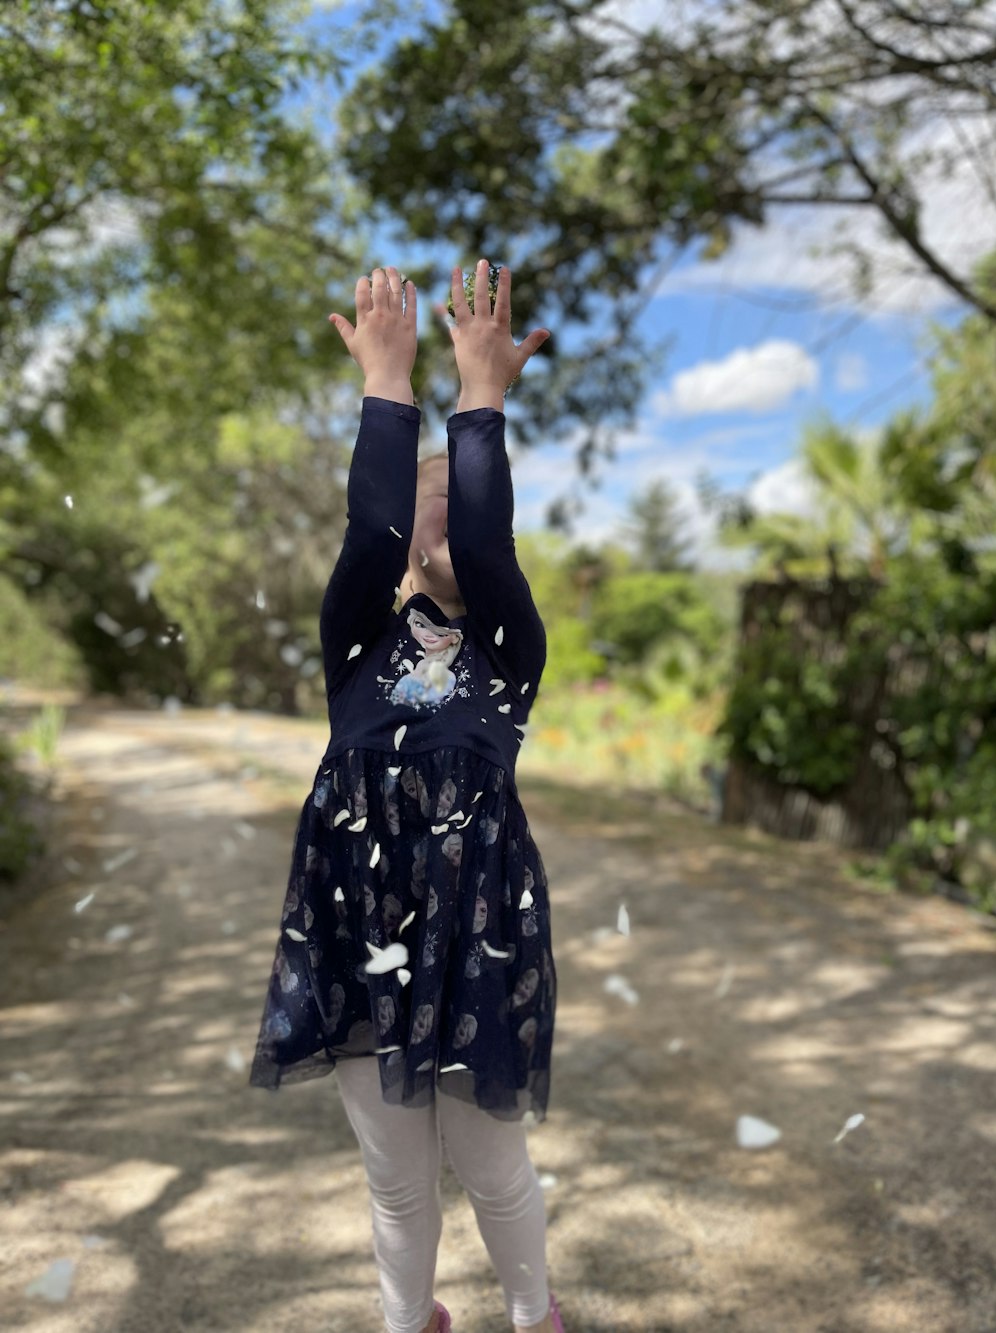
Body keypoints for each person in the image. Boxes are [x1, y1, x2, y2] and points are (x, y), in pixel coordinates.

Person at [249, 261, 564, 1333]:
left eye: (455, 496)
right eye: (427, 495)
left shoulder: (509, 652)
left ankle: (533, 1315)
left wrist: (482, 400)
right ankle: (405, 1321)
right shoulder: (355, 644)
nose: (440, 514)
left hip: (474, 942)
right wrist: (389, 384)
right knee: (395, 1179)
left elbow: (480, 539)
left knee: (492, 1168)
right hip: (358, 932)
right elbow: (376, 532)